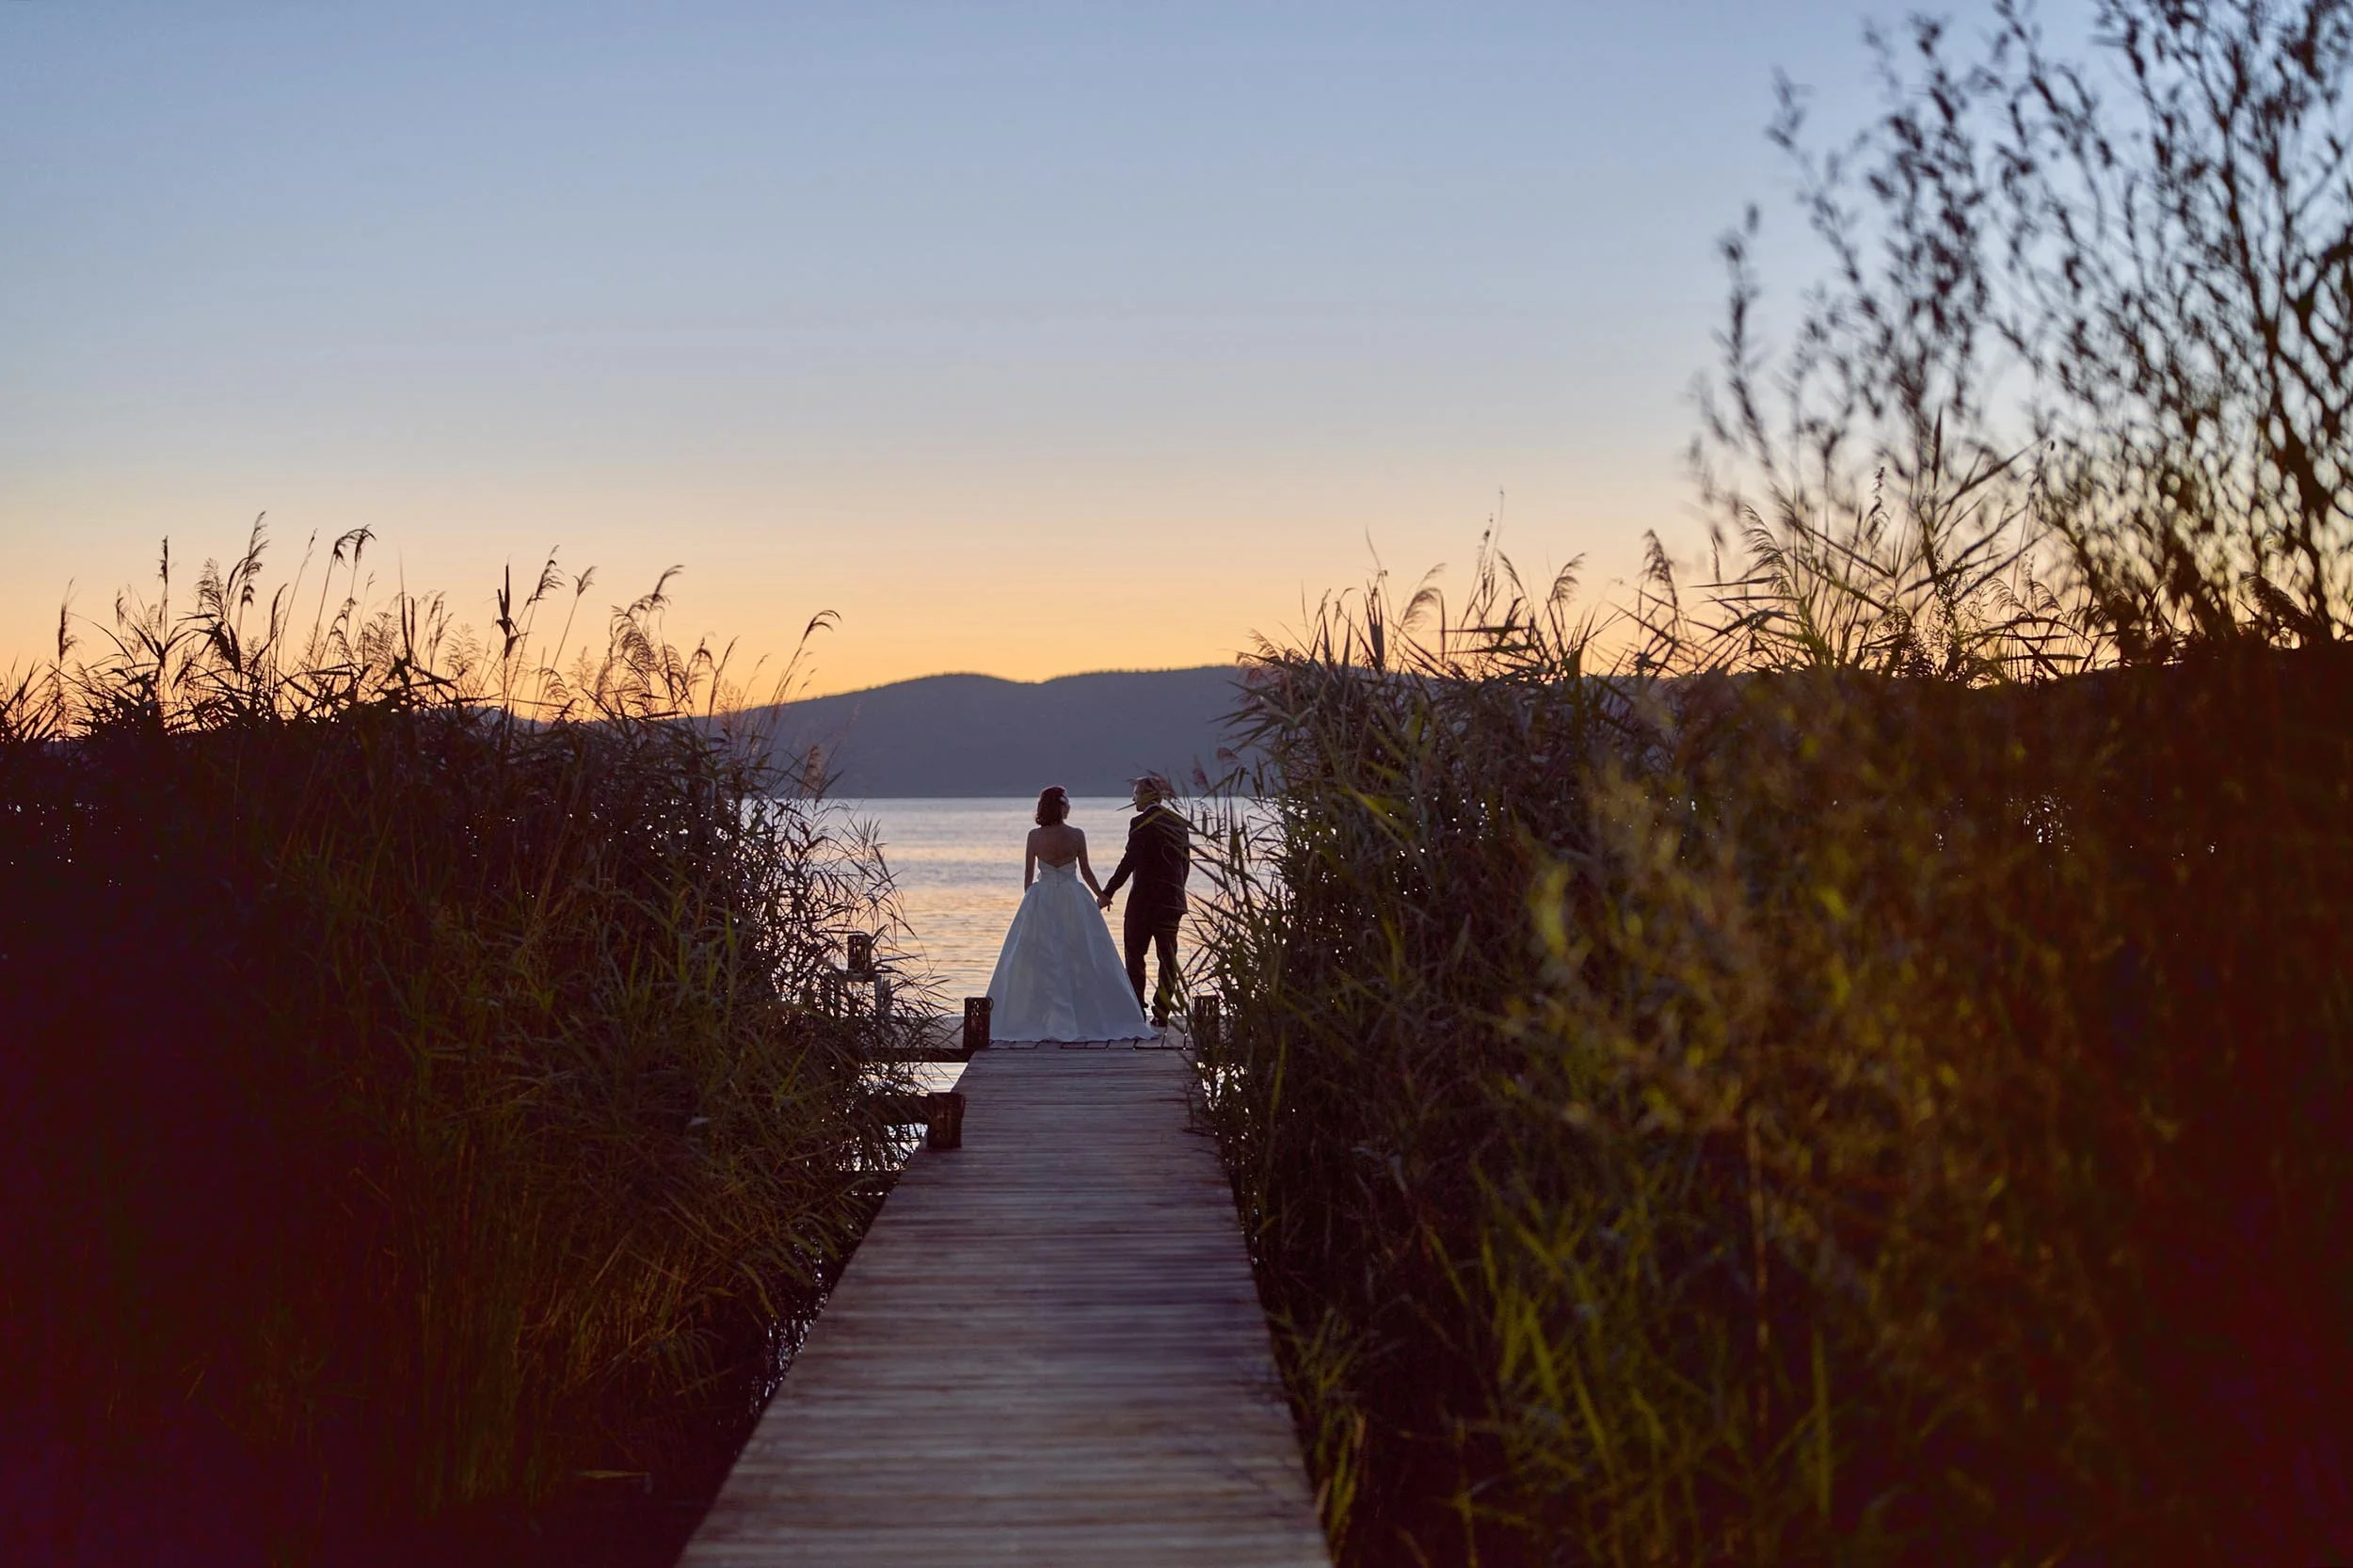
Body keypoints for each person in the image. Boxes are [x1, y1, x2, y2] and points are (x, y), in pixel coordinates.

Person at [983, 786, 1154, 1043]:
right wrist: (1102, 894)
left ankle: (1040, 1015)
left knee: (1038, 957)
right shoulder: (1076, 835)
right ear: (1062, 807)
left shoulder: (1034, 837)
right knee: (1083, 953)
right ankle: (1087, 1012)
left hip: (1042, 899)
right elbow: (1086, 871)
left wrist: (1031, 903)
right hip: (1074, 897)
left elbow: (1028, 880)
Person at [1097, 774, 1191, 1027]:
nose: (1133, 799)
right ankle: (1162, 1013)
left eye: (1136, 794)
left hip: (1143, 901)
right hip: (1172, 901)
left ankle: (1137, 1009)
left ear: (1146, 796)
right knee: (1168, 957)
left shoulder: (1139, 822)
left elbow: (1130, 861)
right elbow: (1185, 863)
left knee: (1135, 955)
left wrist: (1108, 892)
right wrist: (1177, 892)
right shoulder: (1178, 822)